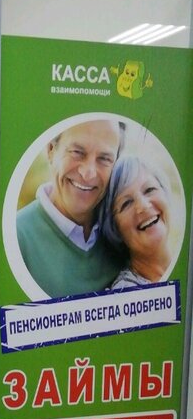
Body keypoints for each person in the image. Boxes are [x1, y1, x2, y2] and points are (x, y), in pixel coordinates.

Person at [15, 119, 125, 298]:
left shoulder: (123, 233)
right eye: (77, 153)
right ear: (51, 151)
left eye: (104, 159)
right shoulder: (17, 236)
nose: (88, 173)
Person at [100, 154, 173, 290]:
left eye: (150, 190)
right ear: (114, 228)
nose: (143, 206)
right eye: (126, 203)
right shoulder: (126, 292)